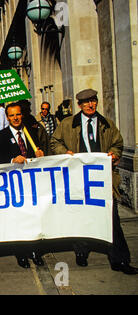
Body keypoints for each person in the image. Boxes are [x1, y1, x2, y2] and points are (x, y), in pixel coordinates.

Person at [50, 88, 137, 275]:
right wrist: (65, 153)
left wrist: (115, 153)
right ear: (80, 105)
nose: (90, 105)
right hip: (78, 179)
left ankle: (120, 260)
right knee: (81, 216)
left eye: (93, 101)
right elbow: (54, 142)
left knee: (112, 219)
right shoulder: (67, 124)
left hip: (103, 179)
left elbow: (117, 143)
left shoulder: (107, 124)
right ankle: (81, 252)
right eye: (86, 102)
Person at [0, 102, 45, 268]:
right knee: (18, 220)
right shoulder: (0, 136)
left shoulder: (31, 133)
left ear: (22, 115)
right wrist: (12, 160)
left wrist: (40, 154)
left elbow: (42, 155)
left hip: (31, 185)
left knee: (34, 217)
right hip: (13, 187)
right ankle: (20, 253)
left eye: (18, 115)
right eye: (11, 115)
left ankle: (34, 250)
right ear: (7, 117)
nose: (15, 118)